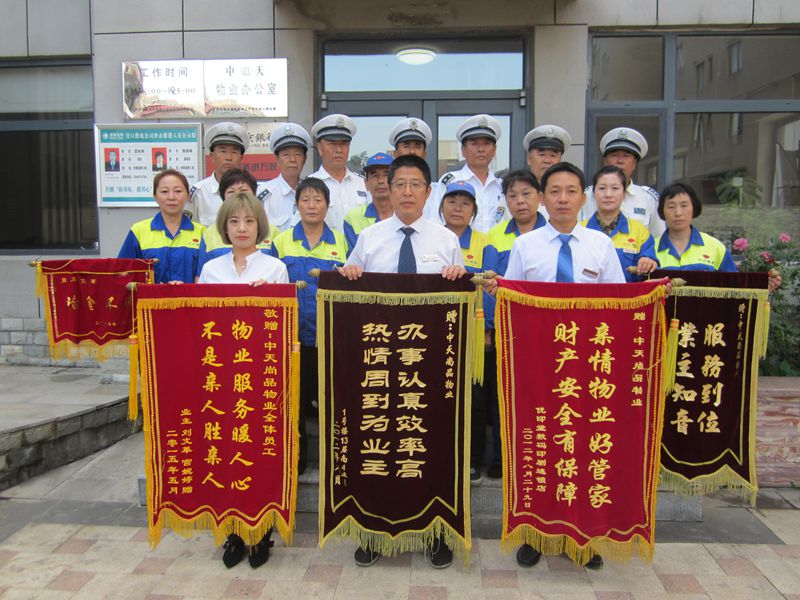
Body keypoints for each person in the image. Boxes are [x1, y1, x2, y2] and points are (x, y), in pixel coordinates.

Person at [487, 162, 623, 572]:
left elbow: (619, 305)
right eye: (555, 192)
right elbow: (510, 303)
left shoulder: (601, 245)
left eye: (571, 191)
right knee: (537, 446)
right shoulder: (525, 246)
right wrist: (497, 290)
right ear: (543, 198)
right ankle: (534, 532)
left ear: (583, 198)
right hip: (537, 367)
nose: (563, 199)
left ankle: (584, 536)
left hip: (588, 371)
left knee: (584, 450)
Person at [339, 154, 467, 570]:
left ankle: (435, 530)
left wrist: (456, 278)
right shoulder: (369, 238)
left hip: (429, 368)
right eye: (400, 184)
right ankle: (373, 530)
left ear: (428, 193)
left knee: (431, 445)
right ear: (388, 190)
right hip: (378, 366)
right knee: (377, 446)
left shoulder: (446, 240)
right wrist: (350, 274)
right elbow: (348, 291)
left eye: (415, 185)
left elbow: (462, 304)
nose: (407, 192)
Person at [197, 191, 287, 569]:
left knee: (259, 453)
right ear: (224, 227)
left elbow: (284, 326)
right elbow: (199, 323)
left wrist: (268, 300)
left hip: (261, 377)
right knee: (225, 454)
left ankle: (261, 531)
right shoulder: (211, 270)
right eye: (234, 221)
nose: (242, 228)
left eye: (249, 221)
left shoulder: (275, 269)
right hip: (221, 377)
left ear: (260, 226)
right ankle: (232, 531)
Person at [271, 178, 348, 475]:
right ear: (297, 205)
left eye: (318, 200)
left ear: (327, 205)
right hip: (293, 337)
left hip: (331, 336)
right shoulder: (281, 241)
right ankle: (299, 459)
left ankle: (335, 459)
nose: (312, 205)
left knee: (332, 399)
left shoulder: (341, 241)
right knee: (297, 400)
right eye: (305, 200)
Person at [481, 170, 548, 482]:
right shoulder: (495, 237)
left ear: (540, 197)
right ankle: (502, 458)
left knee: (545, 395)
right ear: (505, 200)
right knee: (504, 395)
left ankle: (542, 456)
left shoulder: (554, 233)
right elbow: (489, 286)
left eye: (526, 194)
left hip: (549, 330)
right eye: (513, 196)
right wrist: (490, 328)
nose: (520, 201)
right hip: (508, 330)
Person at [438, 181, 492, 485]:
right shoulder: (432, 238)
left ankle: (472, 459)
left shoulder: (485, 243)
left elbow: (490, 288)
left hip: (473, 332)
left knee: (474, 399)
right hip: (437, 331)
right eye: (452, 201)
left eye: (465, 203)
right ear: (441, 207)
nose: (458, 208)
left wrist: (486, 330)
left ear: (473, 211)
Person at [654, 182, 782, 291]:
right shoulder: (650, 249)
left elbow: (735, 286)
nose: (678, 213)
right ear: (662, 211)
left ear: (694, 208)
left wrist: (763, 286)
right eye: (671, 206)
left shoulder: (715, 247)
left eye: (684, 205)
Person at [118, 169, 204, 284]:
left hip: (189, 296)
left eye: (178, 191)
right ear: (155, 196)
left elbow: (206, 276)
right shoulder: (139, 231)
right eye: (164, 191)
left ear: (187, 196)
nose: (171, 197)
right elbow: (122, 273)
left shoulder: (202, 232)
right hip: (150, 296)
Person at [580, 127, 665, 238]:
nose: (620, 161)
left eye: (626, 156)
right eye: (614, 155)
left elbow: (659, 238)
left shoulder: (648, 199)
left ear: (634, 163)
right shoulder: (586, 196)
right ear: (605, 161)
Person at [431, 114, 508, 233]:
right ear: (463, 150)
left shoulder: (502, 186)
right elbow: (436, 222)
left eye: (486, 144)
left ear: (494, 150)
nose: (481, 149)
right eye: (474, 143)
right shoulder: (450, 181)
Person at [196, 169, 279, 277]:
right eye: (231, 192)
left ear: (254, 194)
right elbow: (200, 277)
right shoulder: (209, 235)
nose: (238, 196)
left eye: (243, 191)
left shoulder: (274, 234)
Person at [583, 165, 659, 282]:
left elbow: (652, 274)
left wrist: (648, 263)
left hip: (628, 294)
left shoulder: (639, 231)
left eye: (615, 188)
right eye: (602, 188)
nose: (608, 194)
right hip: (588, 294)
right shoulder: (580, 230)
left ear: (624, 194)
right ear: (593, 194)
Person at [308, 114, 368, 230]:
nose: (339, 150)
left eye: (344, 144)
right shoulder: (309, 185)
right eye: (332, 144)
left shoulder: (363, 184)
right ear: (320, 148)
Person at [188, 122, 250, 227]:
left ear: (241, 157)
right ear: (212, 156)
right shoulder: (198, 193)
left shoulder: (251, 191)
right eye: (223, 151)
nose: (229, 157)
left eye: (234, 152)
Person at [260, 123, 312, 232]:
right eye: (286, 155)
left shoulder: (313, 192)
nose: (292, 160)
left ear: (304, 159)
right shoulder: (264, 194)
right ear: (277, 159)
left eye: (297, 154)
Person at [343, 152, 394, 252]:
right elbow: (354, 258)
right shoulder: (353, 217)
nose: (381, 181)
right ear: (366, 183)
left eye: (386, 174)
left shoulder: (406, 216)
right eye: (375, 175)